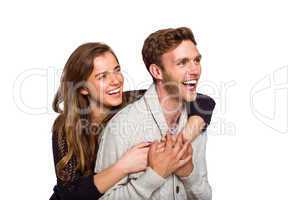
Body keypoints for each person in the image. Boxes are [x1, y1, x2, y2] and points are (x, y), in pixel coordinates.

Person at [50, 42, 215, 199]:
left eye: (117, 70)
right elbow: (68, 194)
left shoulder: (132, 102)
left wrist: (183, 139)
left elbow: (201, 100)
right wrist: (123, 167)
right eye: (102, 76)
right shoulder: (66, 128)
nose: (116, 80)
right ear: (83, 88)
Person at [94, 27, 214, 200]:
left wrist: (189, 174)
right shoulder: (121, 127)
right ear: (157, 71)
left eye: (196, 60)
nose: (194, 70)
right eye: (182, 63)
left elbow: (206, 196)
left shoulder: (196, 122)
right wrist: (154, 176)